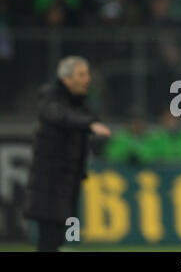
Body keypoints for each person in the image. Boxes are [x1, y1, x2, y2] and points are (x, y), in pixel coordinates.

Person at [23, 56, 111, 252]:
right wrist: (89, 124)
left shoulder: (78, 103)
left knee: (58, 239)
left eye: (87, 74)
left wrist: (90, 122)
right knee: (48, 240)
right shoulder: (50, 97)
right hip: (50, 183)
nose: (87, 79)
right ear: (66, 79)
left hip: (66, 183)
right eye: (81, 74)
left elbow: (85, 117)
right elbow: (62, 116)